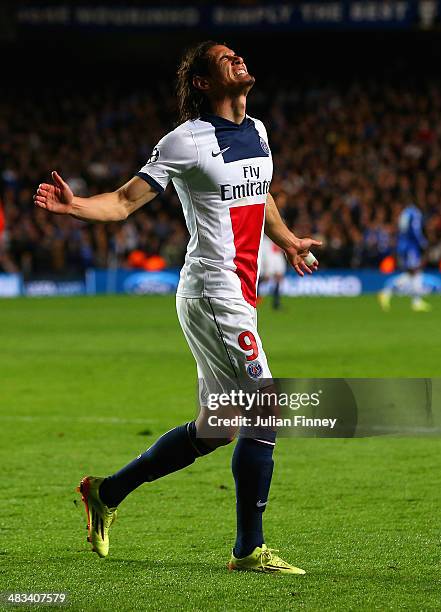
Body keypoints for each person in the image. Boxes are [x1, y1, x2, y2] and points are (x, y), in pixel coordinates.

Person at [34, 40, 321, 574]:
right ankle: (249, 550)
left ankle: (105, 493)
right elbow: (124, 200)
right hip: (214, 291)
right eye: (223, 58)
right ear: (204, 83)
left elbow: (262, 195)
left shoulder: (257, 131)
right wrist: (74, 205)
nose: (238, 59)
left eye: (238, 54)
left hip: (239, 295)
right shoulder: (185, 142)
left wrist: (285, 240)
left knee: (216, 427)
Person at [378, 201, 431, 312]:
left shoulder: (405, 212)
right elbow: (415, 231)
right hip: (410, 246)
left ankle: (416, 301)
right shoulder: (415, 213)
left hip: (403, 244)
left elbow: (402, 229)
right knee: (414, 271)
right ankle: (387, 292)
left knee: (414, 272)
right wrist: (423, 243)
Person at [260, 234, 287, 309]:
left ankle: (276, 302)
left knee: (278, 278)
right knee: (266, 278)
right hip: (269, 257)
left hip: (277, 257)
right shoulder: (265, 240)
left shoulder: (278, 236)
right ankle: (256, 295)